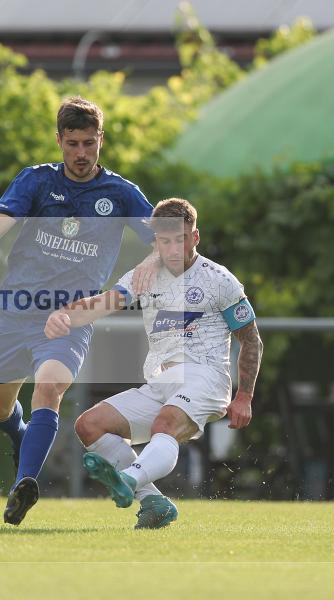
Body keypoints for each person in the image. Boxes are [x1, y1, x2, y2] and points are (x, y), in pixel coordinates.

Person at [0, 96, 161, 525]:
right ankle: (21, 436)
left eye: (89, 144)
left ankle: (24, 483)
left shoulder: (121, 193)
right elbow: (3, 218)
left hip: (71, 317)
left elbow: (162, 241)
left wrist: (149, 265)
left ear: (101, 141)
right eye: (72, 143)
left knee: (50, 388)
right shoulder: (36, 181)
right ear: (59, 140)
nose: (80, 153)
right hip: (18, 310)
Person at [43, 197, 263, 528]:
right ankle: (153, 502)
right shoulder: (144, 275)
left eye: (181, 238)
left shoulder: (219, 279)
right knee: (89, 425)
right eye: (164, 240)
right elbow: (102, 304)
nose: (173, 248)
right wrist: (64, 316)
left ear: (196, 237)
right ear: (155, 241)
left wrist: (244, 396)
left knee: (165, 424)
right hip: (162, 382)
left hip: (207, 377)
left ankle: (129, 480)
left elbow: (251, 339)